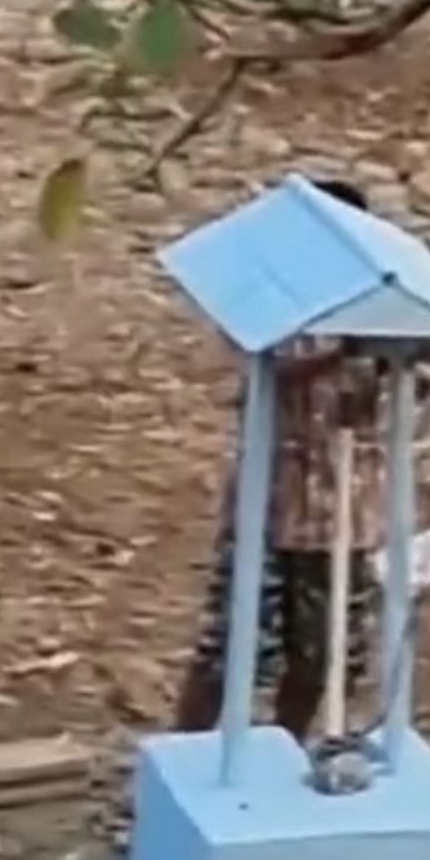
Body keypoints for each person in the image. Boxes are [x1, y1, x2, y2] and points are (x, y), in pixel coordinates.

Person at [176, 177, 388, 740]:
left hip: (341, 509)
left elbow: (381, 391)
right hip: (267, 504)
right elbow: (262, 370)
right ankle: (188, 757)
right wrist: (346, 347)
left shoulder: (381, 303)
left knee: (321, 651)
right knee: (229, 645)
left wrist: (392, 354)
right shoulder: (269, 298)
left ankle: (286, 755)